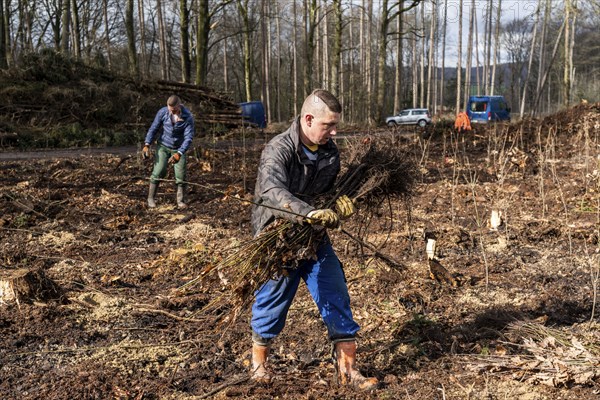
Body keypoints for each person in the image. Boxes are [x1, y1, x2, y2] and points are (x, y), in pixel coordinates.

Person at [249, 89, 379, 390]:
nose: (334, 132)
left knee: (335, 290)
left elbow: (327, 195)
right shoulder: (278, 149)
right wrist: (308, 213)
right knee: (274, 297)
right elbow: (272, 193)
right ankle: (259, 365)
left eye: (335, 126)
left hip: (314, 236)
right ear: (308, 119)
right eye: (328, 125)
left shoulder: (330, 152)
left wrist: (340, 207)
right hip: (277, 236)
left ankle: (348, 370)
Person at [142, 95, 195, 209]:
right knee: (159, 170)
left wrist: (179, 153)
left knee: (180, 175)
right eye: (170, 109)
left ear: (179, 106)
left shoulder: (188, 117)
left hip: (179, 148)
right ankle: (150, 198)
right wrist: (147, 144)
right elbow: (154, 128)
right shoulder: (163, 112)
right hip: (163, 145)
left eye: (174, 110)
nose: (172, 111)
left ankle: (180, 201)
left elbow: (188, 138)